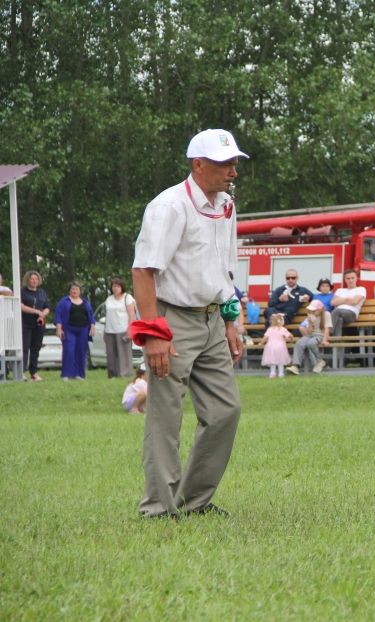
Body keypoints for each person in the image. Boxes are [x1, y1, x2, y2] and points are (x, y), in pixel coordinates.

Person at [130, 128, 246, 518]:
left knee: (225, 411)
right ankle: (158, 509)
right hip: (173, 318)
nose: (232, 171)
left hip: (214, 318)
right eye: (224, 164)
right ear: (198, 164)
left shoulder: (226, 205)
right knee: (166, 416)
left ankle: (194, 502)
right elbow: (144, 272)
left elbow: (225, 269)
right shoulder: (170, 206)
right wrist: (154, 333)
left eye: (234, 163)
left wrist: (230, 321)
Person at [54, 281, 95, 380]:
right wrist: (59, 328)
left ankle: (79, 374)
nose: (74, 291)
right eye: (72, 289)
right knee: (69, 350)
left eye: (76, 289)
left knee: (81, 351)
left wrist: (92, 327)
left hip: (83, 330)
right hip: (69, 329)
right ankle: (66, 374)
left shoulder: (85, 302)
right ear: (69, 291)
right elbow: (58, 315)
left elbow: (91, 316)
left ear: (80, 291)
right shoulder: (64, 301)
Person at [19, 270, 50, 381]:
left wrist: (42, 314)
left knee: (36, 348)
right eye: (32, 279)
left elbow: (47, 307)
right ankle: (21, 372)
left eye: (36, 279)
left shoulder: (42, 292)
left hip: (39, 324)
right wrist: (36, 311)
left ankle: (34, 372)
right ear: (28, 280)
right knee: (24, 348)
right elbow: (20, 306)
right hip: (25, 323)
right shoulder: (22, 291)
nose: (34, 281)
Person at [103, 277, 137, 378]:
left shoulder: (128, 297)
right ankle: (112, 374)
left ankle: (125, 373)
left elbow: (132, 315)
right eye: (114, 286)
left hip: (123, 329)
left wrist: (130, 329)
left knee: (124, 354)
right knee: (111, 354)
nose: (115, 288)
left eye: (117, 286)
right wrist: (105, 330)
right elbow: (107, 315)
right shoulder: (109, 299)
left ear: (122, 287)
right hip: (110, 330)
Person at [287, 299, 331, 374]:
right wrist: (310, 323)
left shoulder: (326, 314)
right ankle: (295, 366)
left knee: (311, 343)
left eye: (314, 310)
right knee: (299, 343)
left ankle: (319, 361)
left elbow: (327, 329)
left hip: (320, 335)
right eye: (311, 310)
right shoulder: (309, 316)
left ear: (320, 309)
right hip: (310, 335)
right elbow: (309, 333)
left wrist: (324, 340)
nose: (312, 312)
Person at [330, 269, 366, 336]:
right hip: (338, 315)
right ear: (345, 280)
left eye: (352, 278)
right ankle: (336, 341)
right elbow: (333, 303)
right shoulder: (340, 290)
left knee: (336, 312)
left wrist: (340, 301)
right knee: (339, 319)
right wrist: (347, 298)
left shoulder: (361, 289)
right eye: (348, 278)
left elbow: (354, 302)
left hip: (351, 314)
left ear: (356, 279)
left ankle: (328, 333)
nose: (350, 280)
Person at [259, 313, 292, 377]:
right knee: (280, 360)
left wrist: (261, 343)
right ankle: (281, 373)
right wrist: (291, 338)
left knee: (272, 359)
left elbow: (265, 337)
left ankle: (272, 372)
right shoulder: (283, 329)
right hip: (280, 347)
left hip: (271, 347)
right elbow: (290, 335)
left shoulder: (269, 329)